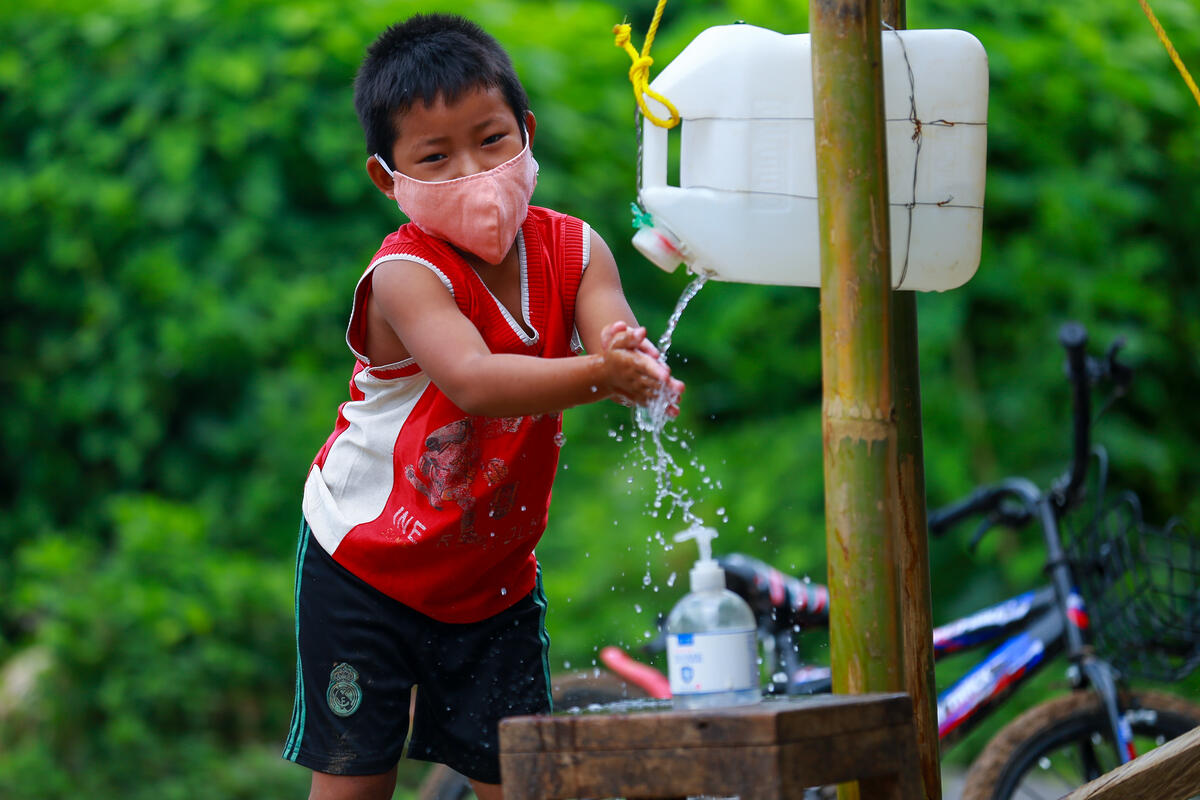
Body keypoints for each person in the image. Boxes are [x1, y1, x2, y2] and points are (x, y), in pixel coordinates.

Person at [282, 13, 683, 800]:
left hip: (490, 577)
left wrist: (641, 366)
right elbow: (473, 378)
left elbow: (614, 336)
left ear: (526, 132)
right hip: (365, 563)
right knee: (358, 780)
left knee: (516, 780)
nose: (472, 171)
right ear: (387, 178)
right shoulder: (405, 275)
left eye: (491, 139)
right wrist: (606, 375)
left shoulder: (577, 250)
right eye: (436, 157)